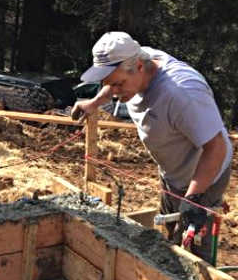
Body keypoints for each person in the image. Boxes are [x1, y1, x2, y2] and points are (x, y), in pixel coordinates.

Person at [71, 31, 232, 262]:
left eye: (118, 84)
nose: (114, 92)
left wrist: (193, 198)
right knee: (170, 233)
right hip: (172, 171)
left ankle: (199, 276)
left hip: (205, 176)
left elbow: (216, 147)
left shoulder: (182, 92)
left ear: (139, 66)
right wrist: (94, 102)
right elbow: (112, 81)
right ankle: (170, 260)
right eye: (109, 84)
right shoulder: (134, 61)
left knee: (195, 245)